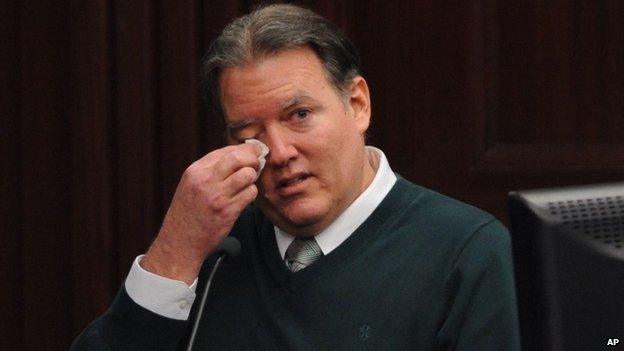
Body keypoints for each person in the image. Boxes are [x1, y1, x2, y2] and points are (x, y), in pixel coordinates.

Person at [72, 4, 520, 350]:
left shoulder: (467, 251)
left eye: (300, 115)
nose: (281, 153)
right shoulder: (215, 252)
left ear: (357, 104)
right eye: (250, 135)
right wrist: (174, 254)